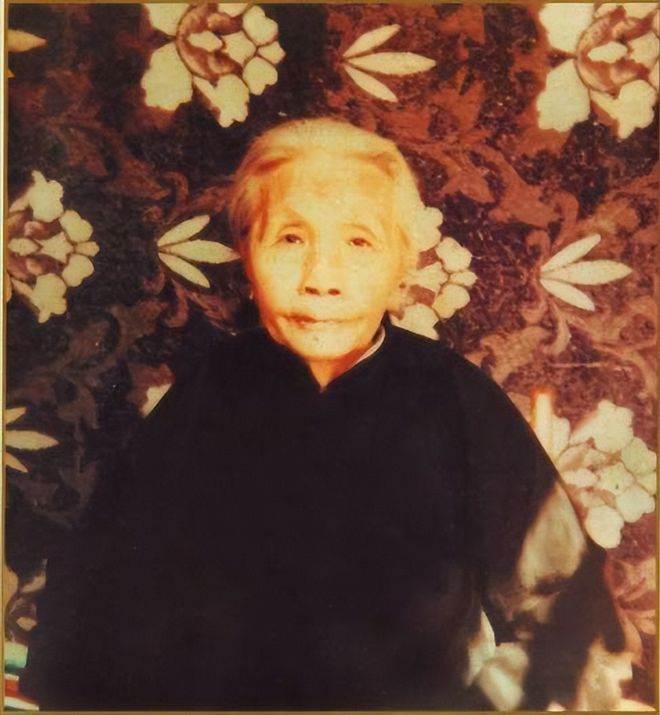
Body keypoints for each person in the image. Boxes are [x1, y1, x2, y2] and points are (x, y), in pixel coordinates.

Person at [21, 118, 626, 710]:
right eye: (290, 238)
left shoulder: (457, 399)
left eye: (358, 242)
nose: (321, 279)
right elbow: (90, 597)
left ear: (401, 265)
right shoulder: (209, 389)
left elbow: (570, 617)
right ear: (247, 257)